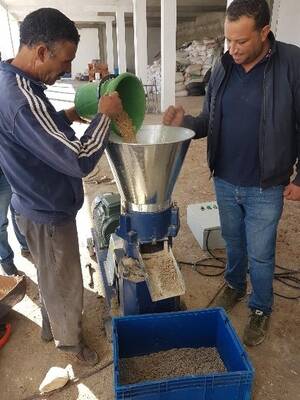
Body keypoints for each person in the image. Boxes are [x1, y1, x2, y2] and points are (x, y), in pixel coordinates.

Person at [163, 0, 300, 346]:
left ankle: (260, 308)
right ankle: (236, 286)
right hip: (225, 178)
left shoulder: (292, 64)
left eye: (241, 41)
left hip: (265, 184)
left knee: (262, 252)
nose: (233, 49)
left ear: (264, 32)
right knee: (234, 242)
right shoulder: (222, 67)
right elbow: (208, 119)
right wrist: (186, 124)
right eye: (228, 40)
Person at [0, 8, 123, 365]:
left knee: (48, 273)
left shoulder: (12, 80)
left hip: (29, 203)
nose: (66, 71)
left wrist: (67, 115)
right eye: (65, 61)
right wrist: (105, 116)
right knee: (66, 283)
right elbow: (80, 158)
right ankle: (70, 342)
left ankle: (50, 326)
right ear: (41, 51)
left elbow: (29, 130)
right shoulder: (21, 99)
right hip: (48, 210)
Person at [0, 167, 32, 276]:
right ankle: (7, 261)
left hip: (8, 169)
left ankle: (26, 245)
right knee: (0, 224)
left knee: (19, 211)